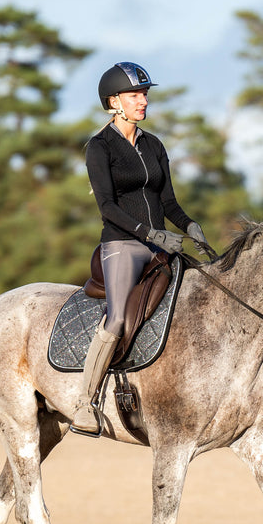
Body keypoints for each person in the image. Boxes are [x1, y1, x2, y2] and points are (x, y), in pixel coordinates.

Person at [71, 61, 208, 436]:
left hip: (160, 245)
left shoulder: (154, 145)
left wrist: (188, 225)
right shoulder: (99, 147)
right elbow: (107, 208)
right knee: (116, 319)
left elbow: (169, 202)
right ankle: (85, 403)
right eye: (135, 95)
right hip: (122, 245)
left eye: (145, 94)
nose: (143, 101)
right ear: (114, 101)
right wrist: (150, 233)